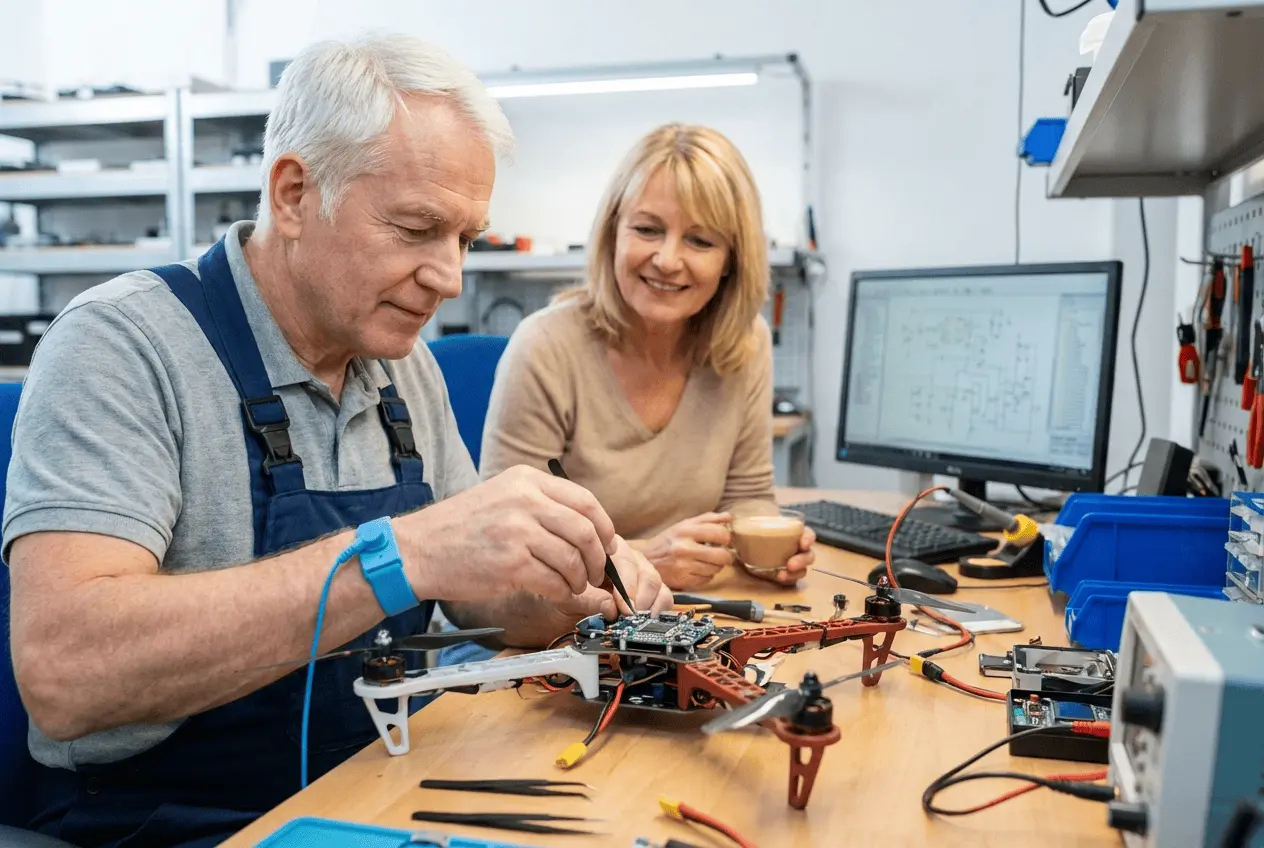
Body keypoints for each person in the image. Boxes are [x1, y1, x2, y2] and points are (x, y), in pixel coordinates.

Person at [2, 34, 670, 848]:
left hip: (381, 784)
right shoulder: (120, 346)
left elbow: (477, 602)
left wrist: (569, 585)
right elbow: (67, 674)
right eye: (418, 228)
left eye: (465, 239)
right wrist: (400, 555)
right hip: (170, 820)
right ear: (292, 193)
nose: (450, 277)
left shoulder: (402, 367)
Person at [478, 124, 815, 591]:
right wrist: (642, 558)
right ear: (613, 232)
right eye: (648, 229)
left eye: (700, 240)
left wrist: (768, 553)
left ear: (732, 260)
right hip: (554, 627)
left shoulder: (746, 343)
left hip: (684, 613)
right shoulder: (545, 346)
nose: (668, 259)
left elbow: (748, 496)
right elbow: (508, 544)